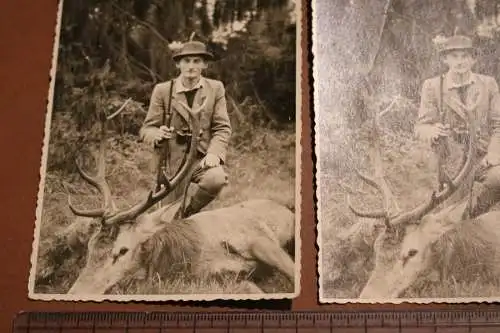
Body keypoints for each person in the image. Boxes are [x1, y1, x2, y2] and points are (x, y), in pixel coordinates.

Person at [139, 40, 231, 219]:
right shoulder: (163, 90)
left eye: (196, 61)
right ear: (178, 64)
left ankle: (190, 212)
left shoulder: (215, 88)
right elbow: (146, 129)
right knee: (166, 219)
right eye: (186, 61)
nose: (191, 66)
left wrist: (214, 154)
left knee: (217, 178)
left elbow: (223, 128)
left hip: (201, 160)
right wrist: (156, 134)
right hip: (172, 164)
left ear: (204, 64)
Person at [415, 34, 500, 219]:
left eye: (465, 56)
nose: (460, 62)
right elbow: (420, 127)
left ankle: (477, 215)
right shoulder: (432, 86)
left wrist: (494, 153)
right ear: (445, 59)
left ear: (473, 59)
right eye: (454, 56)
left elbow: (498, 125)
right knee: (451, 214)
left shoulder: (488, 84)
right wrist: (432, 130)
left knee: (498, 178)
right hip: (449, 160)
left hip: (481, 157)